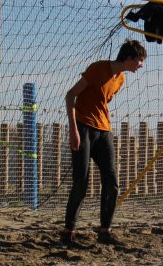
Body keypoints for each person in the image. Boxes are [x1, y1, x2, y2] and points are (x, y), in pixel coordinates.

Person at [62, 40, 147, 247]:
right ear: (129, 58)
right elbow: (70, 95)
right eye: (140, 60)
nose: (141, 65)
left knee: (112, 183)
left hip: (104, 131)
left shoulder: (121, 79)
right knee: (81, 183)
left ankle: (105, 231)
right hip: (83, 128)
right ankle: (68, 233)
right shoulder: (98, 68)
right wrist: (74, 130)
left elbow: (102, 103)